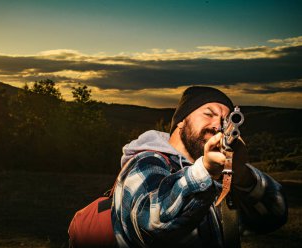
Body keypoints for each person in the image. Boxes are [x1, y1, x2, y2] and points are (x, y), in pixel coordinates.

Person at [111, 86, 287, 247]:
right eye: (209, 114)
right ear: (181, 121)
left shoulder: (216, 177)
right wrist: (204, 171)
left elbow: (274, 215)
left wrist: (242, 174)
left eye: (225, 121)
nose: (218, 125)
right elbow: (151, 224)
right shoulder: (145, 162)